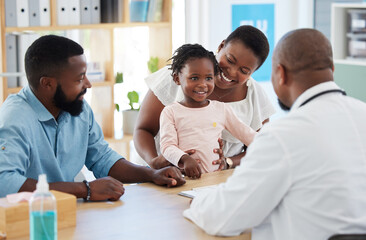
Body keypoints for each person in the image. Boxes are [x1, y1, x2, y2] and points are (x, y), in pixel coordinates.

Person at [183, 28, 366, 239]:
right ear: (332, 69)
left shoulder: (282, 136)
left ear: (281, 73)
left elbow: (222, 218)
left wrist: (201, 203)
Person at [0, 35, 185, 200]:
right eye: (79, 79)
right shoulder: (14, 118)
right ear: (47, 84)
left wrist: (152, 173)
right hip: (23, 221)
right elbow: (5, 183)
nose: (88, 84)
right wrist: (85, 189)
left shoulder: (77, 108)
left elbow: (102, 158)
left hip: (65, 214)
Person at [134, 25, 276, 170]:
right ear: (221, 46)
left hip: (215, 181)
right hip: (164, 176)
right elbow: (143, 130)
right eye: (230, 60)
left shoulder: (254, 96)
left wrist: (228, 162)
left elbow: (260, 145)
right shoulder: (179, 75)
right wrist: (155, 163)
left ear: (253, 72)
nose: (232, 72)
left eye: (244, 70)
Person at [160, 44, 257, 178]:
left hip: (214, 180)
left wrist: (274, 143)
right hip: (183, 179)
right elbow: (167, 147)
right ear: (177, 79)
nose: (202, 84)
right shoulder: (170, 112)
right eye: (194, 78)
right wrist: (185, 159)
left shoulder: (221, 109)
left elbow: (248, 135)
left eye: (209, 78)